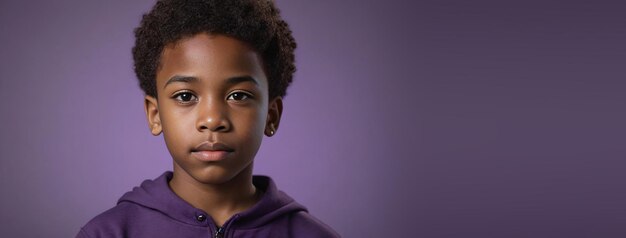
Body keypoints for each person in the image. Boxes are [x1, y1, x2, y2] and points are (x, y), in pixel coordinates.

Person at [76, 0, 339, 237]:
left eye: (238, 96)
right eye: (185, 96)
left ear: (271, 116)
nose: (212, 120)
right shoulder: (108, 233)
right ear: (154, 115)